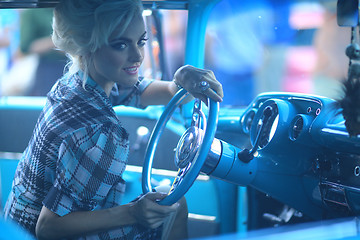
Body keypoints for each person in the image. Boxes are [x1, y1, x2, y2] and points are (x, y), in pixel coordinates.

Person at [3, 0, 223, 240]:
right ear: (89, 45)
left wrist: (177, 84)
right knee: (175, 206)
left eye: (141, 41)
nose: (137, 55)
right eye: (120, 45)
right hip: (37, 233)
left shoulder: (75, 84)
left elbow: (139, 91)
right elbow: (48, 228)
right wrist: (133, 213)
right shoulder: (101, 132)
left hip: (14, 225)